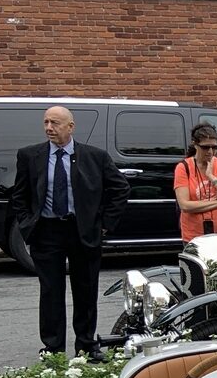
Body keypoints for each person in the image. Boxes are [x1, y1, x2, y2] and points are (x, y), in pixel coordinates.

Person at [11, 104, 130, 359]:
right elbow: (19, 195)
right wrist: (26, 224)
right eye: (46, 122)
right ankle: (53, 348)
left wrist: (105, 223)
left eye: (55, 123)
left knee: (85, 290)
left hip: (82, 232)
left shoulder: (94, 156)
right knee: (51, 291)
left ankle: (86, 345)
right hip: (47, 232)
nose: (49, 128)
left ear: (70, 126)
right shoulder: (30, 156)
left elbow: (120, 188)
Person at [174, 122, 217, 241]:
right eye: (205, 147)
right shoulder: (183, 167)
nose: (210, 151)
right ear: (195, 145)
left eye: (214, 147)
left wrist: (212, 178)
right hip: (194, 234)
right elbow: (185, 205)